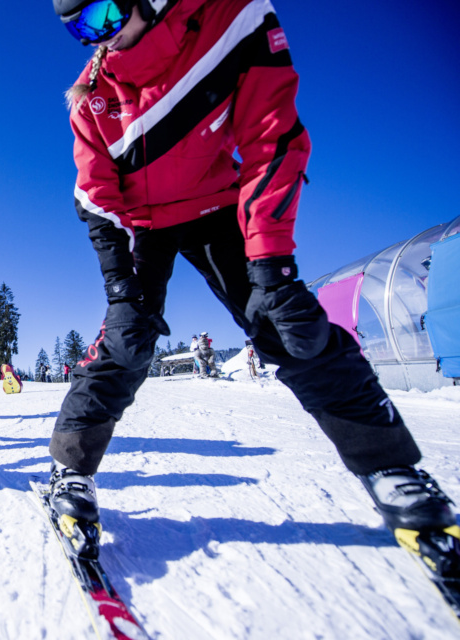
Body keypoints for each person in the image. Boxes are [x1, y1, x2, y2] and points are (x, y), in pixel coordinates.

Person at [47, 0, 456, 560]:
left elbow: (272, 138)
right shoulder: (92, 99)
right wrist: (122, 287)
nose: (101, 37)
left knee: (289, 325)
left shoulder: (230, 22)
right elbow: (96, 196)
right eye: (81, 29)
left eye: (104, 14)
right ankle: (72, 470)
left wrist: (271, 264)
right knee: (127, 339)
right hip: (144, 226)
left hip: (219, 209)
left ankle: (390, 468)